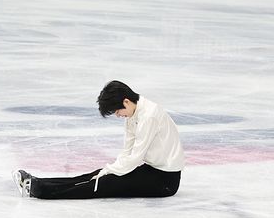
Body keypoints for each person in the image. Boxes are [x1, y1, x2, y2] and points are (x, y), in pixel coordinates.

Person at [14, 80, 185, 200]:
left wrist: (110, 171)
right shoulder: (133, 114)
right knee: (96, 175)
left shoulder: (149, 116)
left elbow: (135, 157)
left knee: (105, 183)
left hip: (165, 181)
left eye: (117, 111)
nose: (118, 115)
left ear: (126, 102)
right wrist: (109, 169)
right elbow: (127, 151)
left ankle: (40, 190)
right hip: (152, 170)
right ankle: (37, 182)